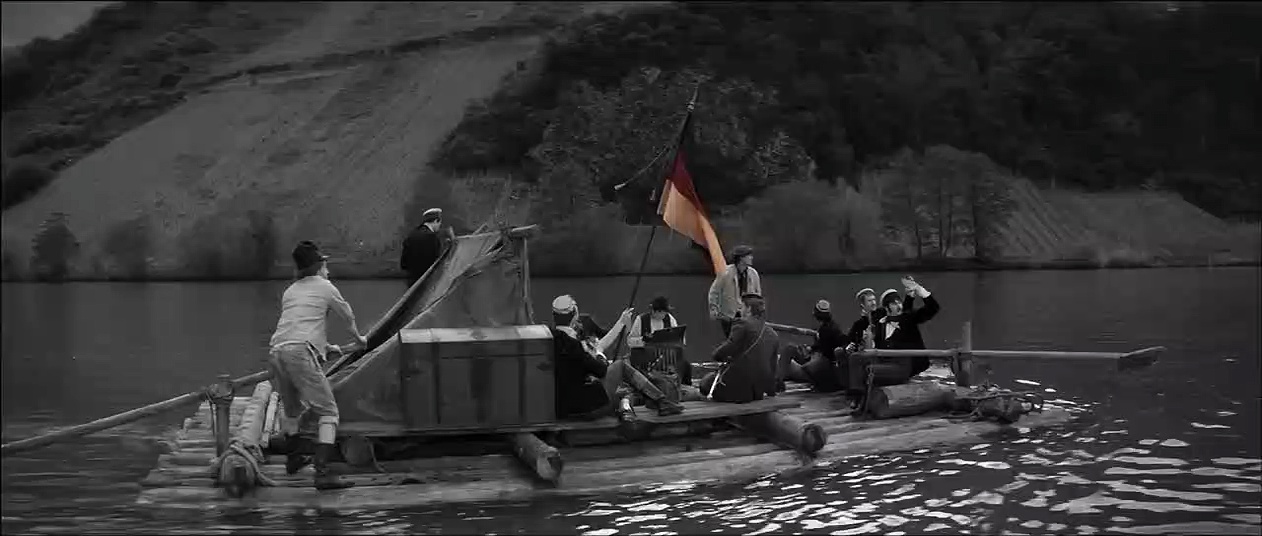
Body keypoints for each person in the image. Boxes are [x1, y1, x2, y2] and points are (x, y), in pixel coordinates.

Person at [268, 241, 367, 490]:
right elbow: (347, 315)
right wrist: (359, 340)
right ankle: (322, 473)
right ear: (318, 266)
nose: (328, 269)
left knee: (292, 411)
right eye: (325, 264)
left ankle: (293, 459)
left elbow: (298, 325)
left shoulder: (290, 291)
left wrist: (326, 348)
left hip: (277, 351)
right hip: (299, 352)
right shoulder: (325, 287)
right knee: (329, 412)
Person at [549, 295, 685, 419]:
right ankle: (661, 401)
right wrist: (599, 356)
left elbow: (592, 354)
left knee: (624, 389)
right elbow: (601, 370)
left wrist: (620, 323)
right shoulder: (573, 344)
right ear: (574, 314)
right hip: (583, 408)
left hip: (562, 405)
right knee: (621, 366)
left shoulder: (552, 338)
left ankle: (649, 403)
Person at [845, 276, 941, 402]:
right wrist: (867, 340)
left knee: (869, 370)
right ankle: (856, 395)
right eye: (894, 303)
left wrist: (918, 289)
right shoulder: (881, 324)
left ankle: (862, 400)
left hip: (902, 367)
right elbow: (872, 347)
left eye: (899, 302)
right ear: (886, 308)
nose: (898, 306)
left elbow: (932, 308)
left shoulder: (907, 320)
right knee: (855, 358)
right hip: (885, 363)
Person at [701, 293, 780, 403]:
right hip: (757, 391)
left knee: (705, 382)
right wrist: (771, 392)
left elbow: (730, 345)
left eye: (742, 307)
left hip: (739, 387)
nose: (740, 310)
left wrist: (716, 355)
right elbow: (773, 366)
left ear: (749, 309)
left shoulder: (742, 323)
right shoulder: (773, 334)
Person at [780, 299, 848, 393]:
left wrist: (810, 354)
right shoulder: (827, 328)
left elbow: (824, 353)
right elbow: (820, 346)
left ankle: (778, 380)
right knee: (790, 348)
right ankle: (779, 379)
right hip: (815, 360)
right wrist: (810, 349)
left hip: (816, 370)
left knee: (789, 357)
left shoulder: (831, 330)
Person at [627, 295, 691, 385]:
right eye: (661, 312)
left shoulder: (670, 318)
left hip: (665, 357)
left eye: (665, 312)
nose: (664, 315)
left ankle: (683, 385)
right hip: (645, 358)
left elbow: (680, 338)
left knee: (685, 365)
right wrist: (643, 340)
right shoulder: (641, 319)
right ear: (654, 311)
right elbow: (630, 341)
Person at [708, 245, 762, 338]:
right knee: (731, 339)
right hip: (729, 315)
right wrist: (714, 309)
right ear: (741, 258)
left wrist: (757, 312)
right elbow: (714, 292)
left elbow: (758, 294)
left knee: (745, 340)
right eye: (749, 256)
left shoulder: (753, 274)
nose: (751, 258)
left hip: (746, 315)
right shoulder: (725, 272)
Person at [400, 208, 453, 288]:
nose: (439, 226)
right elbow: (435, 262)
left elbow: (404, 264)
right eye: (439, 223)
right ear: (435, 221)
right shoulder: (432, 237)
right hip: (427, 283)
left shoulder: (411, 235)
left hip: (412, 283)